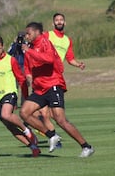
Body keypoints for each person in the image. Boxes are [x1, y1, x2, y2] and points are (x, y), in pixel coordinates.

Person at [20, 22, 94, 157]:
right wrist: (29, 76)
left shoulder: (45, 43)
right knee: (24, 113)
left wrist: (29, 51)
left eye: (29, 33)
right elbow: (27, 66)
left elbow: (48, 59)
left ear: (37, 32)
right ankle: (52, 135)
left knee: (60, 120)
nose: (27, 36)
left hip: (53, 85)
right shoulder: (30, 47)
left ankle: (86, 147)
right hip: (40, 89)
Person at [35, 12, 86, 150]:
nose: (59, 22)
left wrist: (78, 64)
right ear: (53, 23)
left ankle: (56, 136)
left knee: (53, 115)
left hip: (56, 78)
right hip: (43, 77)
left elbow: (70, 58)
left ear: (65, 22)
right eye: (56, 20)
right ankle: (54, 138)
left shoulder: (67, 40)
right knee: (43, 113)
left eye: (61, 20)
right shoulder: (47, 35)